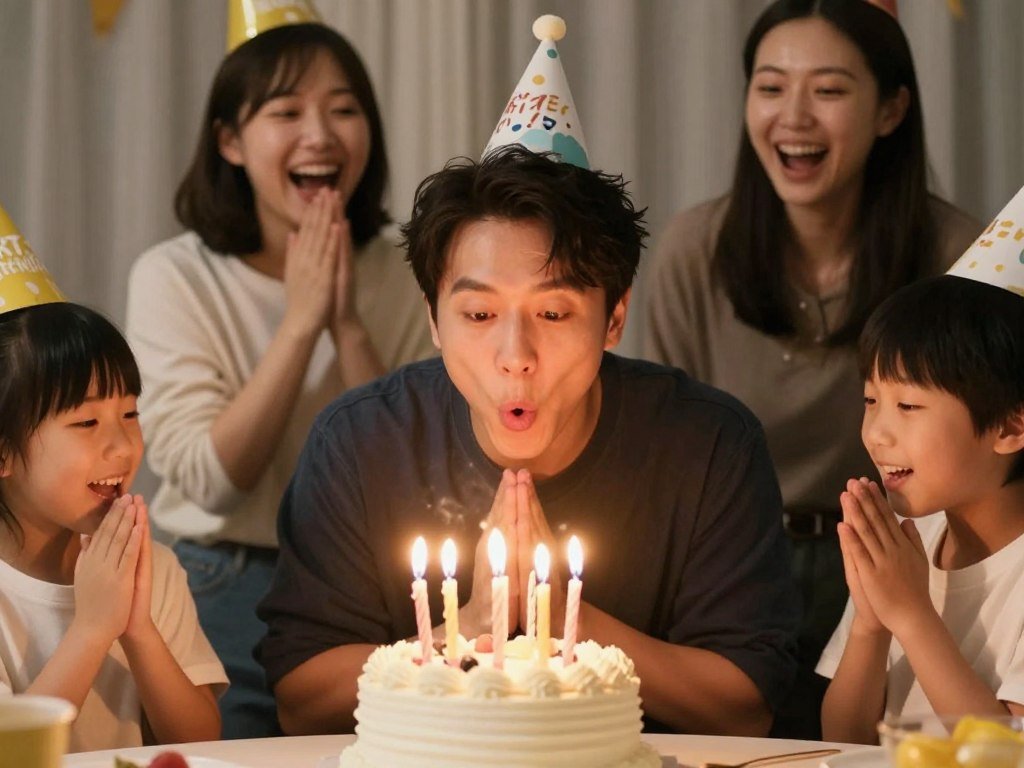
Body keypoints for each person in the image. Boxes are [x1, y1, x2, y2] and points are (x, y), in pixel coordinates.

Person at [256, 145, 800, 736]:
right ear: (434, 319)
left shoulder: (708, 445)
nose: (516, 355)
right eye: (479, 315)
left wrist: (566, 619)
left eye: (554, 314)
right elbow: (302, 704)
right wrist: (469, 626)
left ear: (615, 317)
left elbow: (745, 708)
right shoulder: (361, 443)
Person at [642, 0, 980, 737]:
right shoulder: (694, 250)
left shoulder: (955, 256)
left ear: (891, 109)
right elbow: (661, 447)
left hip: (899, 557)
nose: (793, 116)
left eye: (828, 90)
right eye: (770, 87)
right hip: (728, 566)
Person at [126, 21, 435, 738]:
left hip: (373, 586)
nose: (320, 134)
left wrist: (347, 327)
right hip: (225, 582)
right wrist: (299, 325)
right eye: (287, 111)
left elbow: (408, 478)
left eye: (344, 108)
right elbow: (212, 481)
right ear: (230, 141)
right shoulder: (175, 276)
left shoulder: (408, 270)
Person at [0, 301, 227, 752]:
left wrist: (138, 629)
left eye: (130, 414)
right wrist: (93, 629)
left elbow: (199, 743)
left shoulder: (151, 567)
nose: (123, 446)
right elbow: (13, 753)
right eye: (86, 421)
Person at [817, 274, 1024, 743]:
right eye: (871, 400)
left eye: (908, 405)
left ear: (1010, 428)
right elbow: (843, 741)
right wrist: (870, 624)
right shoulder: (907, 537)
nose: (876, 433)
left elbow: (1005, 755)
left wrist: (911, 615)